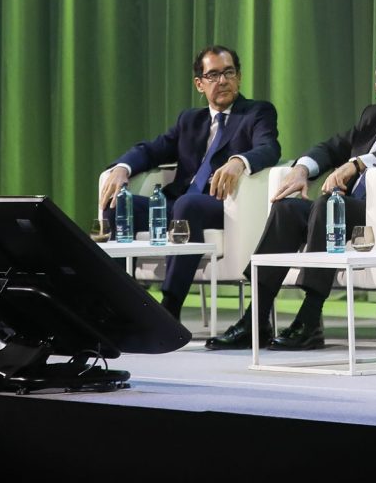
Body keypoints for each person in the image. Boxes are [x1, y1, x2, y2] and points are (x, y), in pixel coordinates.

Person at [204, 50, 376, 351]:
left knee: (329, 204)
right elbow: (332, 146)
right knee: (287, 209)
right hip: (351, 211)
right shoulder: (373, 117)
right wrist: (302, 170)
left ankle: (310, 319)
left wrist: (359, 163)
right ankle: (255, 319)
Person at [96, 44, 281, 321]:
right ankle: (117, 304)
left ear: (239, 77)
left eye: (229, 72)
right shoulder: (190, 120)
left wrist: (239, 161)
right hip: (178, 205)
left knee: (188, 204)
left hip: (223, 207)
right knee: (119, 205)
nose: (222, 81)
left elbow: (269, 148)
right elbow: (151, 150)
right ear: (199, 84)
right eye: (213, 75)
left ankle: (169, 307)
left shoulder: (256, 113)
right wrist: (122, 168)